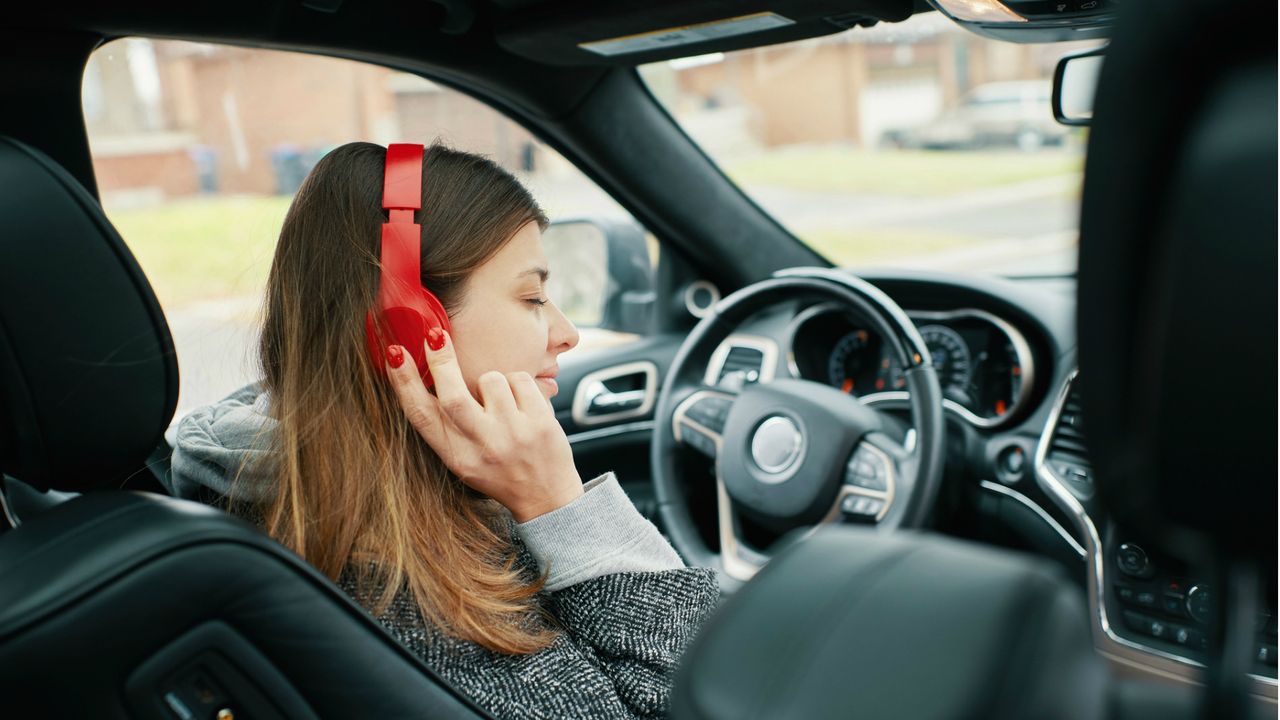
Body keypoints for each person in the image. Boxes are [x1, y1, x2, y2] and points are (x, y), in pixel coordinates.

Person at [166, 141, 719, 719]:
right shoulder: (400, 606)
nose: (565, 333)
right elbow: (700, 701)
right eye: (532, 297)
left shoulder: (349, 496)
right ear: (407, 327)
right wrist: (559, 505)